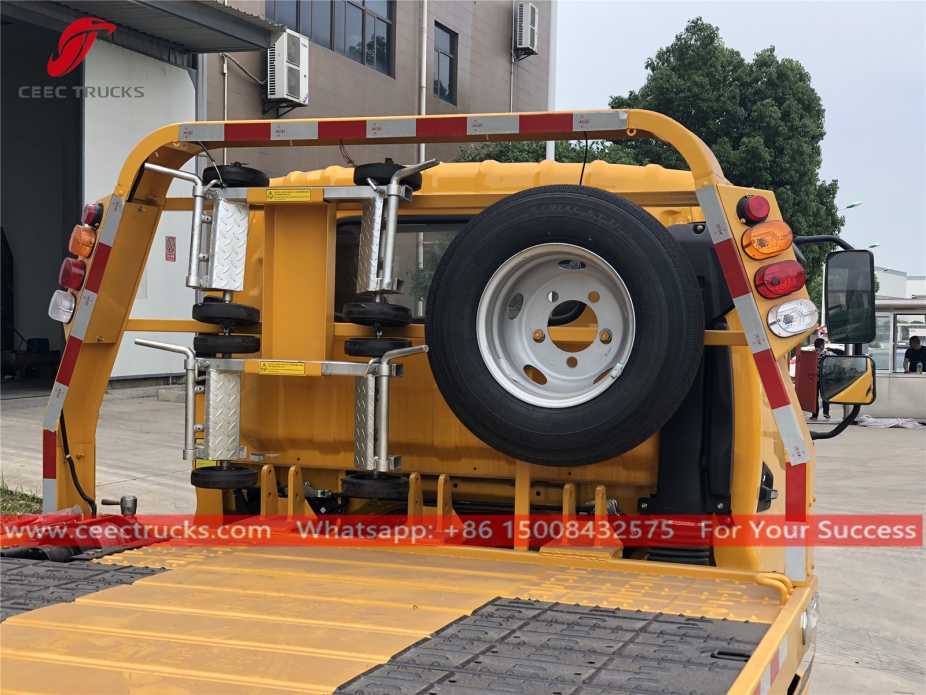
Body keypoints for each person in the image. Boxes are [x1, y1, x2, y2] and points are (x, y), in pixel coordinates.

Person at [810, 338, 833, 420]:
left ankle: (814, 415)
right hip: (824, 378)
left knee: (814, 397)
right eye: (824, 344)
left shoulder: (812, 354)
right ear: (821, 345)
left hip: (814, 378)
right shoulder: (826, 353)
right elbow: (830, 364)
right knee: (825, 396)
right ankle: (826, 412)